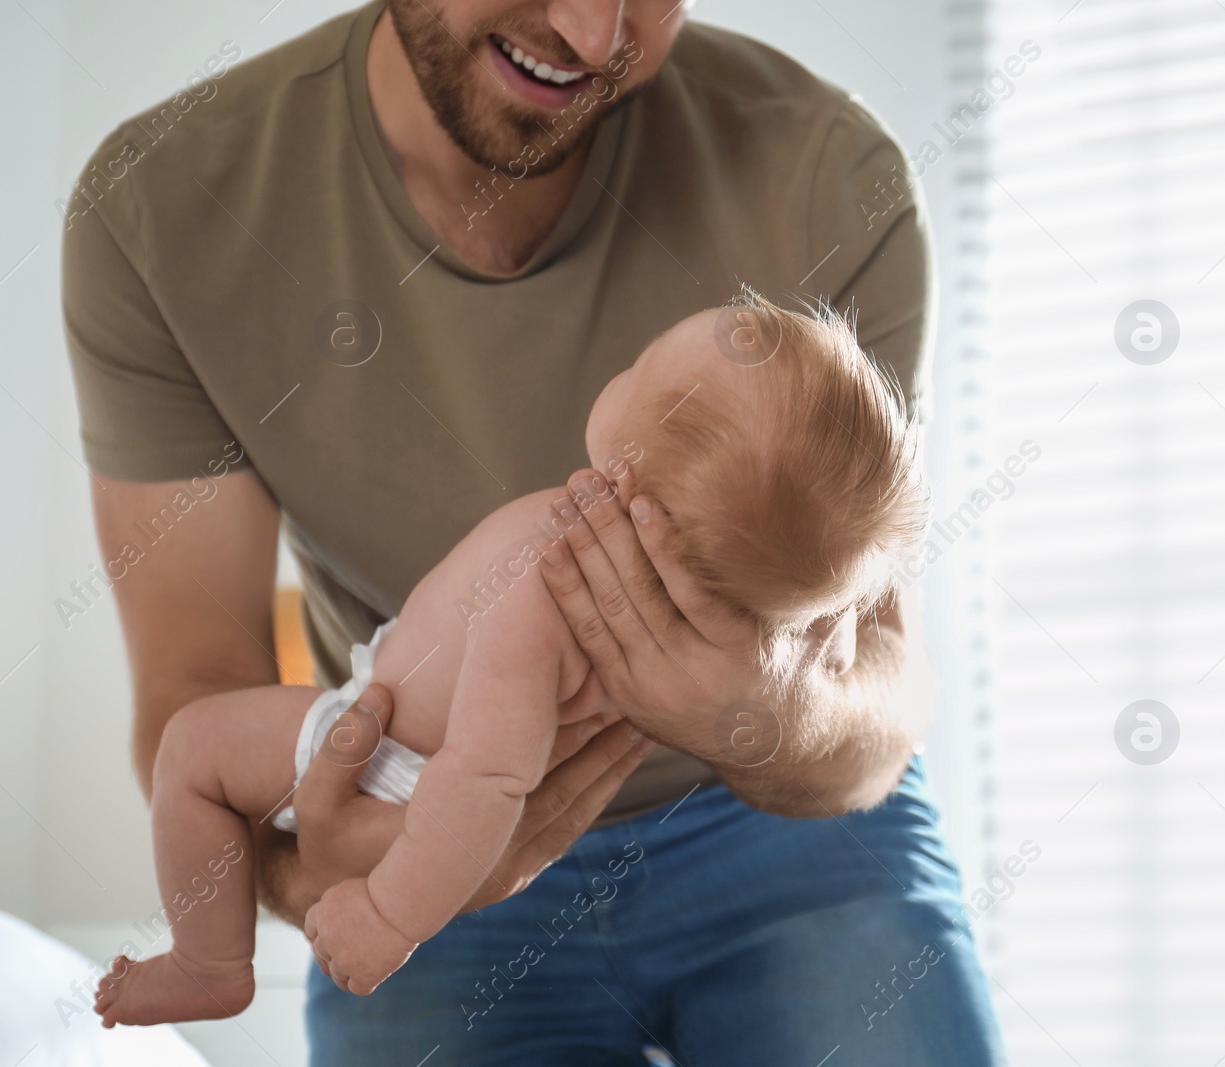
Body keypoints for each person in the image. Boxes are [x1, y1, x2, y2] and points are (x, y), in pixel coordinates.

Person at [63, 0, 1006, 1061]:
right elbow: (196, 682)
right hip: (404, 832)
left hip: (764, 816)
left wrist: (758, 709)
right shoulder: (163, 207)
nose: (597, 37)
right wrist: (322, 872)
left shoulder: (832, 171)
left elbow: (884, 673)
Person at [90, 294, 929, 1025]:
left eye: (639, 369)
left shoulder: (547, 583)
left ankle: (208, 963)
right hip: (395, 739)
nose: (625, 362)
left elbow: (485, 781)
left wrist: (391, 913)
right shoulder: (668, 595)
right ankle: (215, 957)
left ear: (635, 479)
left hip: (389, 762)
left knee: (191, 751)